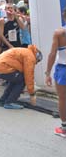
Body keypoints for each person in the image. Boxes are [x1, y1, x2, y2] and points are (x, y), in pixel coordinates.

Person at [0, 45, 41, 109]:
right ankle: (10, 102)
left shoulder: (26, 52)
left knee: (16, 79)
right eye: (37, 61)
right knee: (22, 80)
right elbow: (29, 76)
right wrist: (32, 94)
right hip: (3, 67)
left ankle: (2, 101)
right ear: (37, 57)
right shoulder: (30, 57)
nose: (36, 63)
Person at [45, 8, 66, 137]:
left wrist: (47, 73)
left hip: (63, 68)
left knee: (63, 99)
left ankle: (64, 128)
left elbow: (52, 54)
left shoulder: (60, 33)